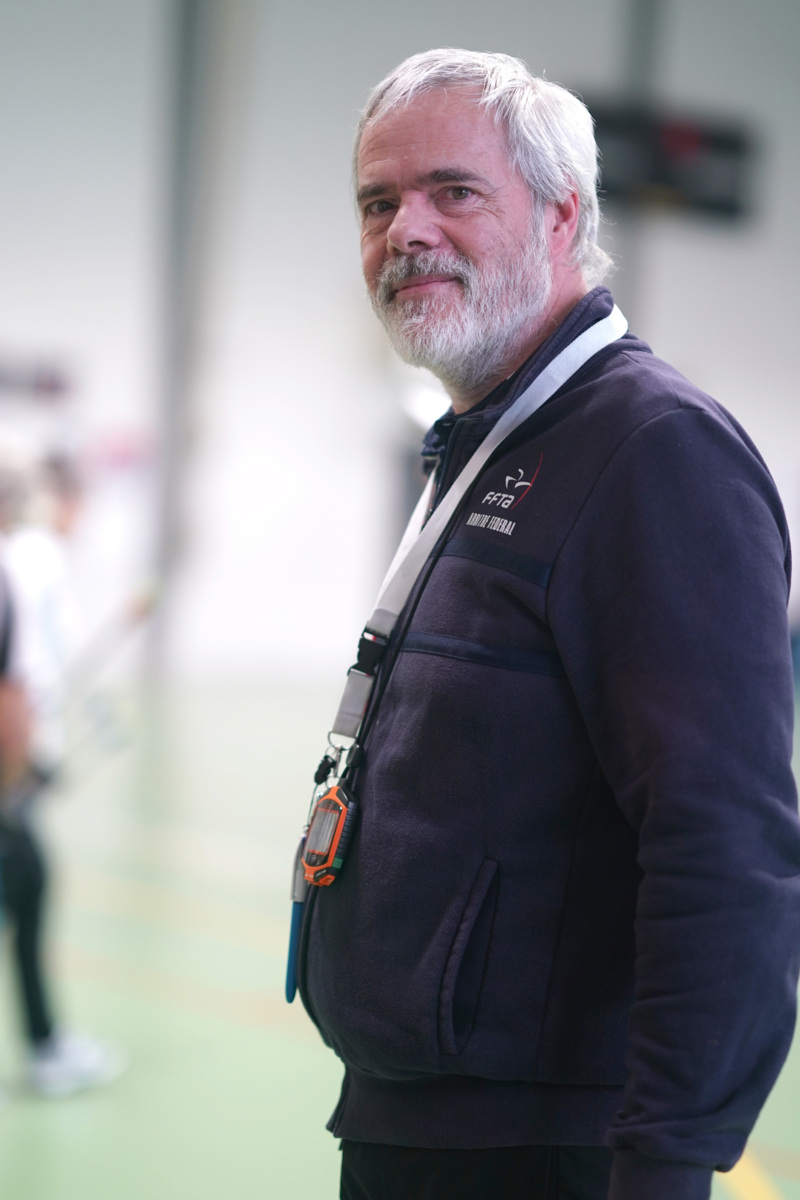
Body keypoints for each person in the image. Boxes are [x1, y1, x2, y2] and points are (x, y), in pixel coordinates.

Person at [294, 49, 800, 1200]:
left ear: (561, 213)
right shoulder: (490, 439)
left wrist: (662, 1163)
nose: (405, 230)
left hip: (541, 1154)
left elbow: (721, 844)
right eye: (377, 203)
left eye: (451, 191)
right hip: (420, 1124)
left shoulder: (650, 451)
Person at [0, 447, 126, 1097]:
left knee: (27, 882)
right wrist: (22, 768)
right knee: (27, 880)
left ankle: (47, 1042)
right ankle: (47, 1047)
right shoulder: (30, 558)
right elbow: (20, 679)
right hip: (11, 764)